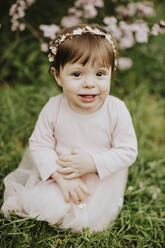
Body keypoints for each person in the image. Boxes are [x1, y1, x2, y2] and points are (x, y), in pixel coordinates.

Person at [1, 24, 138, 233]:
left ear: (111, 73)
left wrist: (92, 162)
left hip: (99, 177)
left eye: (100, 74)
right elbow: (40, 143)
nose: (89, 83)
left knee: (87, 221)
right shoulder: (54, 107)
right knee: (44, 203)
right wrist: (59, 176)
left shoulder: (116, 110)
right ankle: (42, 197)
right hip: (61, 173)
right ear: (58, 76)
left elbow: (128, 151)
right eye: (77, 74)